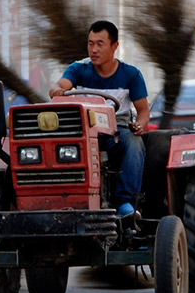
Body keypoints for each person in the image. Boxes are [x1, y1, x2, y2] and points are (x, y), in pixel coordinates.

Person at [49, 20, 150, 219]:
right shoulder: (78, 69)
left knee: (134, 143)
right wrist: (57, 90)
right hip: (85, 130)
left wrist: (140, 125)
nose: (94, 49)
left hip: (116, 131)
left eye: (100, 44)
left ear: (114, 47)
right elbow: (61, 84)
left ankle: (125, 203)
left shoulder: (131, 74)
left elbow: (143, 110)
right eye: (90, 44)